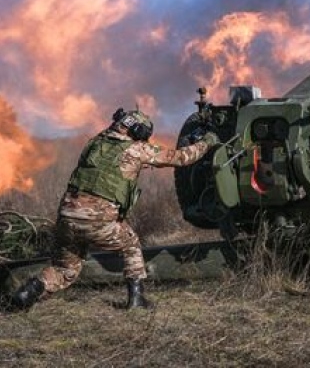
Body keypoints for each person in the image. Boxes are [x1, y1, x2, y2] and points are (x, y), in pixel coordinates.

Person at [11, 107, 218, 310]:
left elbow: (108, 165)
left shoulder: (95, 143)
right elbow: (182, 158)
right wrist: (207, 141)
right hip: (98, 220)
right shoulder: (137, 149)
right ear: (138, 132)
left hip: (67, 216)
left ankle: (30, 290)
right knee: (131, 244)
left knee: (64, 269)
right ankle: (136, 300)